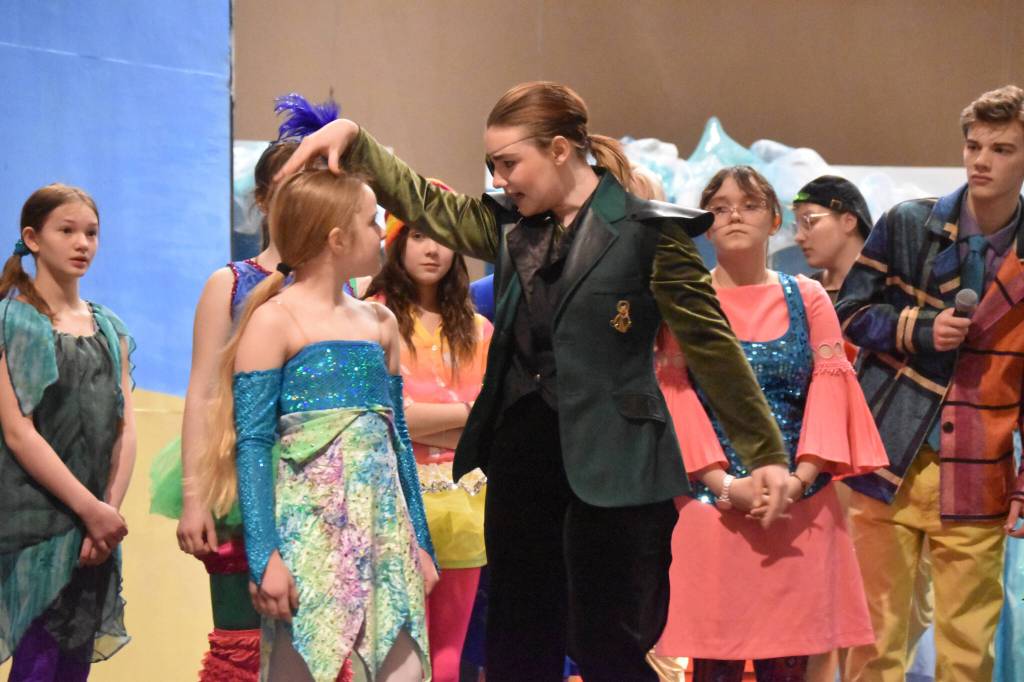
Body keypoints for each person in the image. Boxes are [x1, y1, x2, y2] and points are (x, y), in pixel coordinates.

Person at [278, 80, 792, 682]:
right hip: (523, 456)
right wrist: (357, 142)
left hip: (617, 467)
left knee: (610, 647)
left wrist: (765, 453)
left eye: (508, 163)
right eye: (493, 166)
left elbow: (714, 348)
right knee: (518, 641)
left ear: (557, 150)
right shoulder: (508, 226)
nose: (499, 179)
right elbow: (428, 203)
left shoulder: (651, 233)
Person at [200, 168, 436, 681]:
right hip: (311, 537)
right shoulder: (273, 321)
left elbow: (396, 442)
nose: (381, 233)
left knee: (408, 669)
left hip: (385, 533)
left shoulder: (381, 323)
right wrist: (265, 557)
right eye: (372, 222)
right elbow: (255, 444)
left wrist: (420, 538)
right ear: (337, 239)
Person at [654, 166, 886, 681]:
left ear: (775, 220)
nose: (734, 214)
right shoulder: (687, 301)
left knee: (793, 667)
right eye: (719, 207)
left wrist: (800, 480)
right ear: (705, 226)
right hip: (714, 505)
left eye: (750, 204)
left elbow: (830, 386)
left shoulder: (809, 296)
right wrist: (725, 484)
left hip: (800, 510)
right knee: (716, 664)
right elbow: (677, 395)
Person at [837, 84, 1024, 681]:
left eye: (1001, 148)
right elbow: (848, 313)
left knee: (968, 650)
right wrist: (918, 327)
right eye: (973, 145)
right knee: (874, 639)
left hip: (979, 465)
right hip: (889, 455)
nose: (981, 160)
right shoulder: (908, 222)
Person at [149, 94, 337, 680]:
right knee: (242, 648)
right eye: (288, 184)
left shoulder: (344, 293)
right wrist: (195, 497)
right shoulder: (229, 284)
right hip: (239, 483)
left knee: (322, 646)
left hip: (324, 491)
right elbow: (204, 391)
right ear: (261, 200)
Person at [0, 184, 135, 680]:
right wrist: (88, 508)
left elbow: (125, 429)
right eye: (67, 231)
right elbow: (19, 432)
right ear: (33, 239)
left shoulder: (108, 328)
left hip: (94, 529)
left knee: (72, 665)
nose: (83, 243)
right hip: (33, 525)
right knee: (36, 662)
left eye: (92, 233)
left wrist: (109, 513)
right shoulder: (11, 322)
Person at [365, 182, 492, 682]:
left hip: (466, 505)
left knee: (448, 652)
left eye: (443, 235)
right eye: (418, 234)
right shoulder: (372, 317)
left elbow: (490, 425)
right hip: (391, 500)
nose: (433, 247)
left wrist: (431, 417)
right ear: (396, 242)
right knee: (392, 649)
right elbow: (388, 417)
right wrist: (466, 410)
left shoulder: (479, 330)